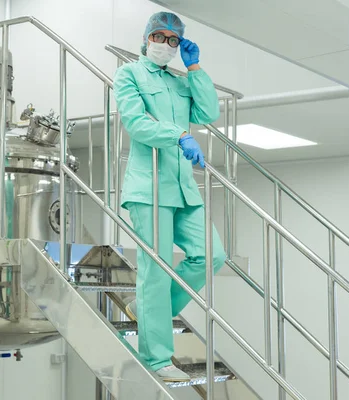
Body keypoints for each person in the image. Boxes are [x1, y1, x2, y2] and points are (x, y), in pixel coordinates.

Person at [113, 11, 227, 382]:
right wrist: (177, 136)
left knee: (211, 256)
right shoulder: (129, 74)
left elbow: (208, 112)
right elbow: (136, 123)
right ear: (146, 38)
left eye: (173, 40)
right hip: (149, 187)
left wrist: (195, 70)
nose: (165, 44)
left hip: (181, 187)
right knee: (156, 271)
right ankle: (156, 358)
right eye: (159, 37)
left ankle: (146, 311)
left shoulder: (180, 82)